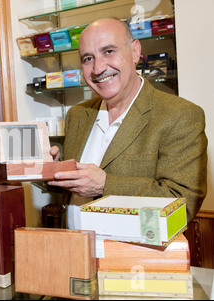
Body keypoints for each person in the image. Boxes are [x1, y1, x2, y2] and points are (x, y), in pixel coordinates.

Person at [48, 18, 207, 229]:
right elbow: (75, 188)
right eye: (88, 58)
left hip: (135, 259)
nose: (98, 68)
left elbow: (182, 202)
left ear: (135, 51)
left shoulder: (180, 115)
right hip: (74, 252)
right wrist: (53, 170)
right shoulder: (78, 115)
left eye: (108, 51)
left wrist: (105, 185)